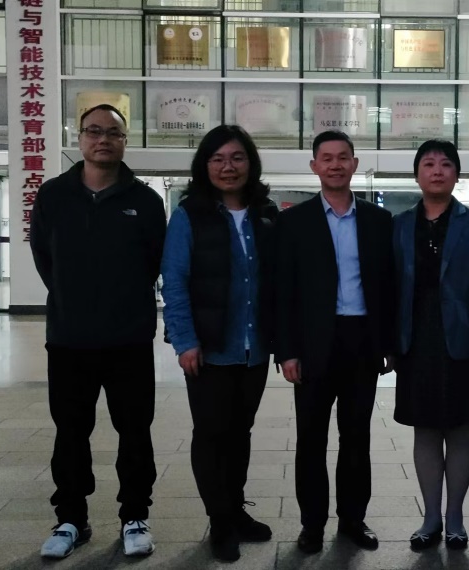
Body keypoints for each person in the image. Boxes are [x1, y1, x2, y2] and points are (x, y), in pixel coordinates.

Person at [30, 104, 165, 560]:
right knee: (70, 432)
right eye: (94, 131)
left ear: (125, 141)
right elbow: (45, 258)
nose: (102, 139)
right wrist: (73, 299)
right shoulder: (53, 195)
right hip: (69, 339)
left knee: (135, 431)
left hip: (129, 339)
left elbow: (153, 262)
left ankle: (135, 515)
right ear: (80, 138)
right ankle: (71, 518)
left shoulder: (145, 201)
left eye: (113, 132)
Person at [160, 125, 277, 562]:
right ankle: (220, 521)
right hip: (209, 348)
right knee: (211, 434)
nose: (228, 167)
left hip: (254, 347)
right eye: (218, 159)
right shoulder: (189, 215)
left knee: (240, 433)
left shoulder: (266, 213)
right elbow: (174, 280)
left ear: (250, 163)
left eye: (237, 158)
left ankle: (235, 508)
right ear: (204, 166)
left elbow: (278, 280)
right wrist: (185, 341)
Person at [276, 130, 396, 555]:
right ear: (314, 167)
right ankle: (312, 524)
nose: (335, 165)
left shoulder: (379, 221)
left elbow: (389, 287)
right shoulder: (293, 221)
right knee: (310, 439)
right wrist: (286, 351)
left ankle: (352, 520)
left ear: (354, 164)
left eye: (343, 157)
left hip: (362, 341)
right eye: (326, 158)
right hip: (313, 345)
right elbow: (282, 292)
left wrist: (387, 343)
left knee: (356, 437)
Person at [392, 140, 469, 552]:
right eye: (428, 164)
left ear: (456, 174)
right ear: (417, 174)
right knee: (424, 429)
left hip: (464, 337)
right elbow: (391, 286)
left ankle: (455, 517)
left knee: (459, 429)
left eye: (445, 164)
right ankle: (430, 518)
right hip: (416, 340)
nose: (437, 171)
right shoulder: (399, 224)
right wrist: (390, 341)